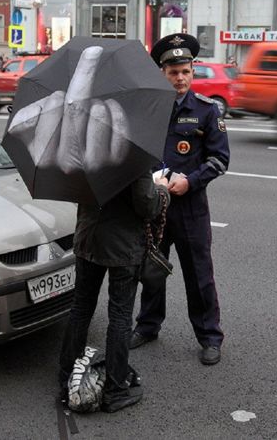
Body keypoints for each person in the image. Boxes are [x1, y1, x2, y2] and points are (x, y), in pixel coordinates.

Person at [130, 33, 230, 365]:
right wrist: (154, 174)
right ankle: (147, 325)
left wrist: (191, 181)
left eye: (186, 71)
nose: (181, 78)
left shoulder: (205, 111)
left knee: (199, 274)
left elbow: (219, 159)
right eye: (174, 73)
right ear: (162, 72)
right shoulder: (149, 111)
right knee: (152, 270)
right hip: (155, 206)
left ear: (192, 71)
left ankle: (210, 337)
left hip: (190, 208)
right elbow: (138, 151)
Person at [59, 171, 170, 413]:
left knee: (80, 308)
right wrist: (162, 190)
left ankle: (66, 378)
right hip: (123, 245)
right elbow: (147, 205)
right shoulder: (132, 154)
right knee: (120, 317)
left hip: (88, 236)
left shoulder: (84, 147)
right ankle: (116, 390)